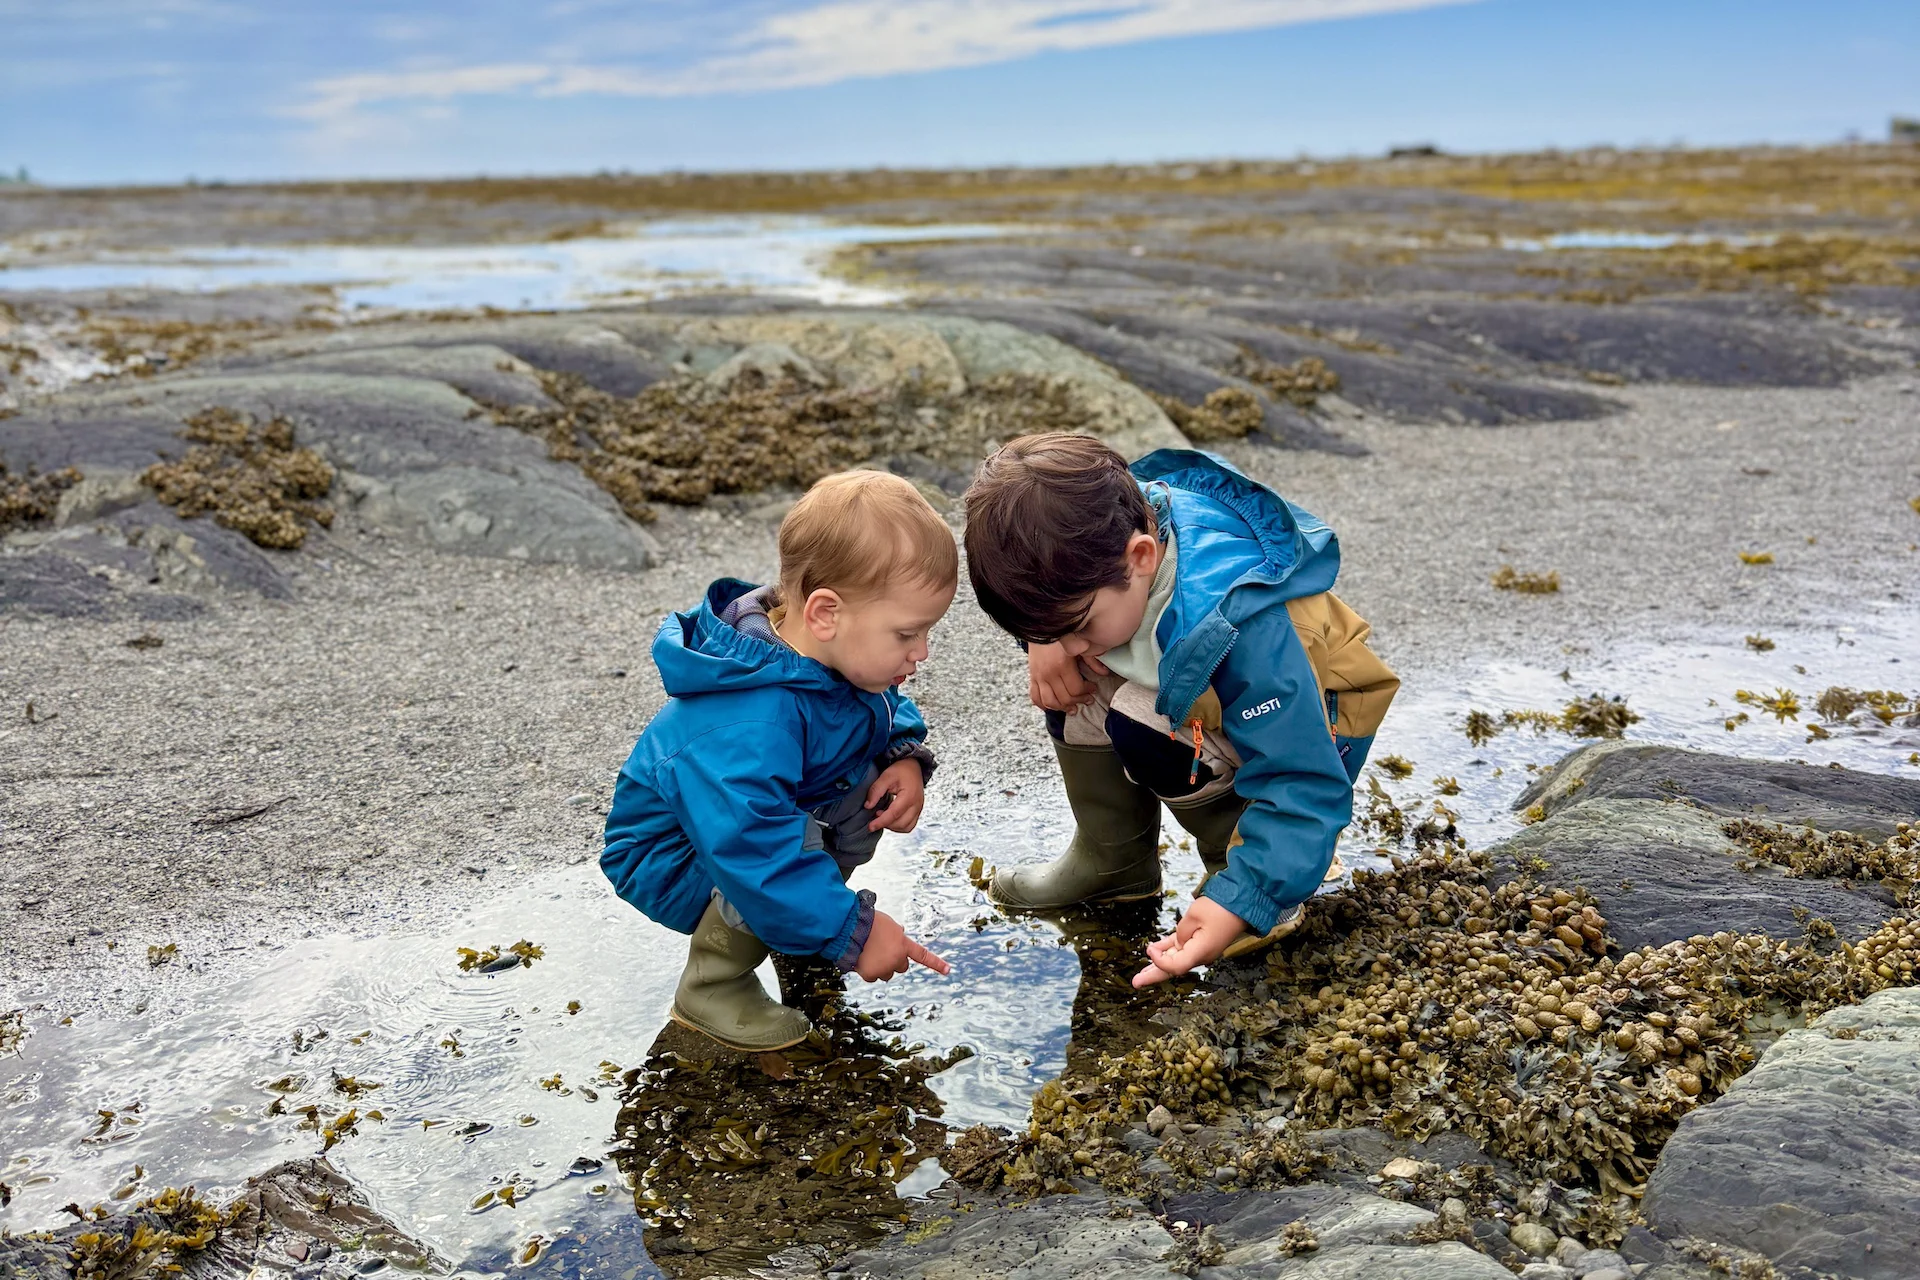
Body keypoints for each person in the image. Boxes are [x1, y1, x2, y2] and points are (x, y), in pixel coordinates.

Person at [962, 434, 1398, 989]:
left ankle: (1246, 874)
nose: (1070, 642)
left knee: (1140, 724)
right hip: (1198, 681)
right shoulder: (1093, 546)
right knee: (1073, 686)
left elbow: (1305, 782)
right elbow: (1061, 596)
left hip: (1309, 728)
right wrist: (1046, 640)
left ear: (1141, 557)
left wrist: (1243, 899)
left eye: (1075, 624)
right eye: (1046, 628)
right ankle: (1114, 862)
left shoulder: (1246, 628)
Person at [602, 470, 955, 1053]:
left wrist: (904, 756)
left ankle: (799, 926)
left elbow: (880, 703)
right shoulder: (752, 719)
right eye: (907, 634)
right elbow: (751, 844)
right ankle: (713, 984)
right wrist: (856, 932)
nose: (921, 653)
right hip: (679, 853)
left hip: (761, 822)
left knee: (858, 796)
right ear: (824, 612)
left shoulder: (825, 651)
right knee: (778, 846)